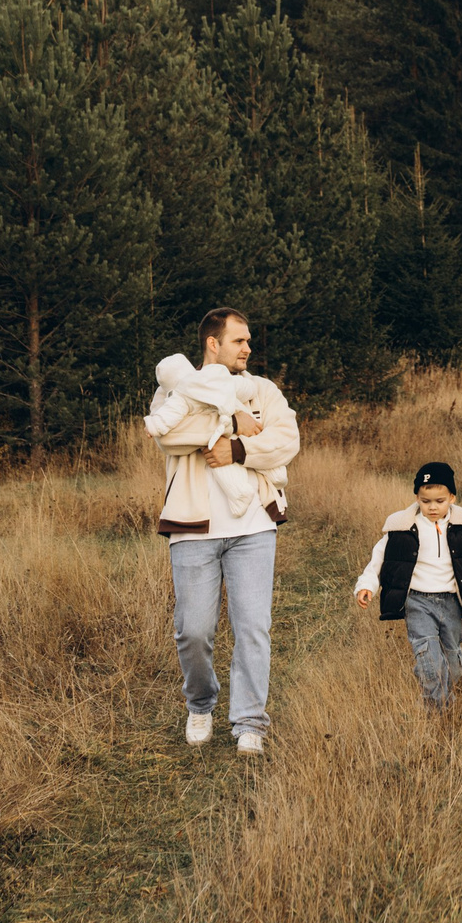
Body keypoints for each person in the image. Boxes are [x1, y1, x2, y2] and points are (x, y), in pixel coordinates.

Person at [153, 307, 300, 754]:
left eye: (249, 340)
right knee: (193, 631)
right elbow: (169, 435)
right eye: (239, 340)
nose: (248, 348)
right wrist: (233, 421)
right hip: (192, 528)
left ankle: (250, 722)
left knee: (253, 626)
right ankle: (201, 704)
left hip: (253, 525)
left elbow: (286, 439)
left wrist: (235, 449)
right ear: (212, 344)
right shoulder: (176, 387)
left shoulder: (262, 389)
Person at [352, 462, 462, 710]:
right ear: (417, 498)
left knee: (454, 663)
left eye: (439, 501)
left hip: (450, 602)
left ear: (452, 497)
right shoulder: (402, 528)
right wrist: (367, 586)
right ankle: (435, 712)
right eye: (426, 501)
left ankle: (440, 690)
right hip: (417, 601)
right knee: (429, 658)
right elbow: (379, 560)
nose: (433, 507)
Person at [145, 350, 266, 517]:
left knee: (221, 465)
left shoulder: (179, 397)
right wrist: (238, 417)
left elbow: (166, 418)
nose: (247, 349)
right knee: (227, 454)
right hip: (235, 417)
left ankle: (239, 494)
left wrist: (152, 425)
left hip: (218, 433)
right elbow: (241, 387)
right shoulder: (215, 377)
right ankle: (269, 476)